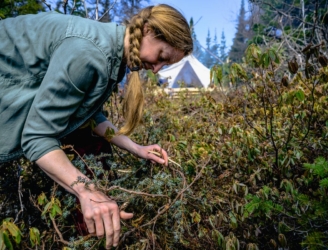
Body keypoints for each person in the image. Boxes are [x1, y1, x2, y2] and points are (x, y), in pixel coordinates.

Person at [0, 4, 193, 249]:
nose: (156, 69)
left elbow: (91, 118)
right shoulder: (89, 54)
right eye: (162, 57)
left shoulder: (113, 56)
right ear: (148, 30)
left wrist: (136, 148)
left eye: (164, 66)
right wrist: (88, 192)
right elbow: (37, 137)